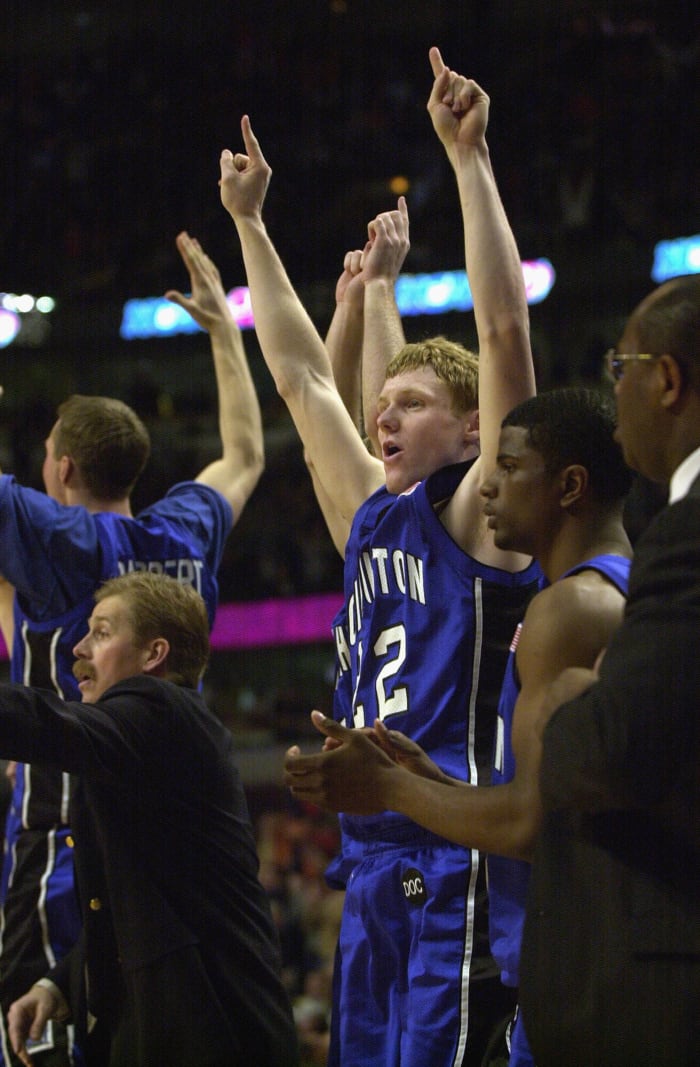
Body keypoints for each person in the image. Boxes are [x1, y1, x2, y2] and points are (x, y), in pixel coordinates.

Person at [220, 47, 540, 1067]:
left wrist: (468, 158)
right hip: (369, 872)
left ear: (470, 431)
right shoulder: (371, 519)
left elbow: (498, 329)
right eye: (384, 409)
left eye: (409, 408)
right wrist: (250, 228)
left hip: (457, 847)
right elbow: (304, 380)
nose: (382, 418)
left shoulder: (483, 511)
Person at [284, 386, 633, 1065]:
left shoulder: (573, 608)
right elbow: (560, 803)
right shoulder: (588, 595)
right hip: (569, 955)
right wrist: (433, 777)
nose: (490, 486)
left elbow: (530, 823)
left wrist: (389, 785)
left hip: (585, 961)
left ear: (568, 486)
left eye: (507, 467)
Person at [0, 231, 265, 1066]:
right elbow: (247, 455)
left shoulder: (58, 535)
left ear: (63, 468)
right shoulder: (183, 531)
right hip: (166, 840)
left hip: (63, 837)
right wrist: (226, 332)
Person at [2, 571, 298, 1067]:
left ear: (153, 654)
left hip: (214, 1032)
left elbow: (45, 723)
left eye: (100, 632)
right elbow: (138, 909)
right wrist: (61, 982)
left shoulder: (163, 711)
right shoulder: (144, 742)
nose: (78, 649)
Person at [518, 275, 700, 1066]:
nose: (612, 384)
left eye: (618, 365)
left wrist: (564, 701)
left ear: (666, 379)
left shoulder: (681, 539)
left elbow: (608, 753)